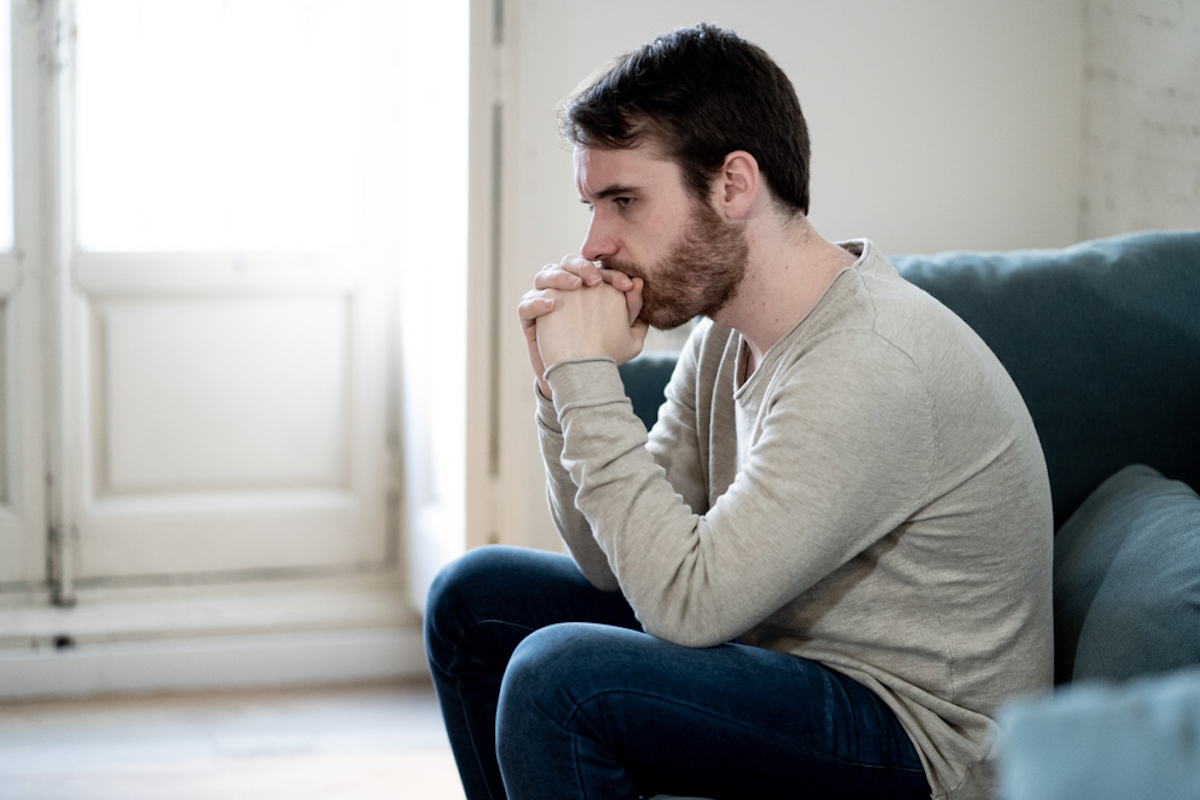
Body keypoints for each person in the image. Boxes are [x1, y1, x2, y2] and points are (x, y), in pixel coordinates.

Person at [425, 22, 1053, 800]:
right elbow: (609, 561)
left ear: (732, 185)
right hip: (791, 661)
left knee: (563, 678)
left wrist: (587, 375)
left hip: (923, 745)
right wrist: (561, 389)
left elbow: (686, 605)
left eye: (624, 201)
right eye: (593, 205)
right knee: (473, 601)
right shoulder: (727, 338)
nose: (595, 246)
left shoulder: (870, 361)